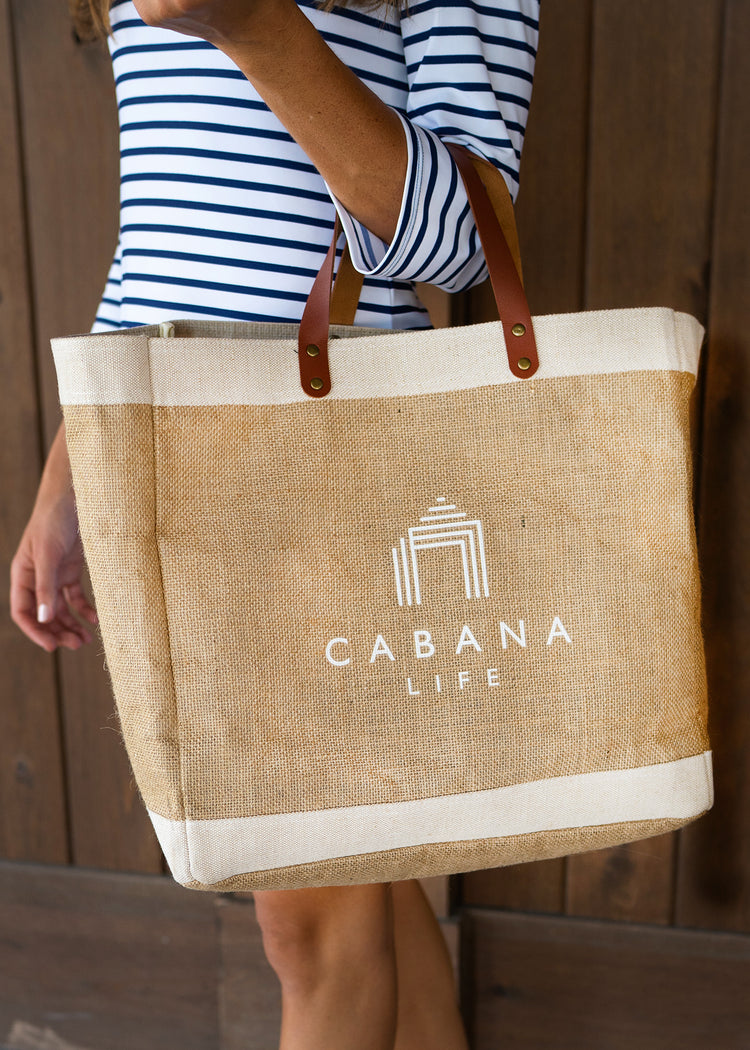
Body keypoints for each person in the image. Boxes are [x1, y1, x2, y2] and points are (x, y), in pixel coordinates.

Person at [10, 1, 538, 1046]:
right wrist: (75, 464)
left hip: (327, 443)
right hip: (174, 436)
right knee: (361, 889)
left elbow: (465, 242)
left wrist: (257, 27)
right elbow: (161, 234)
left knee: (312, 926)